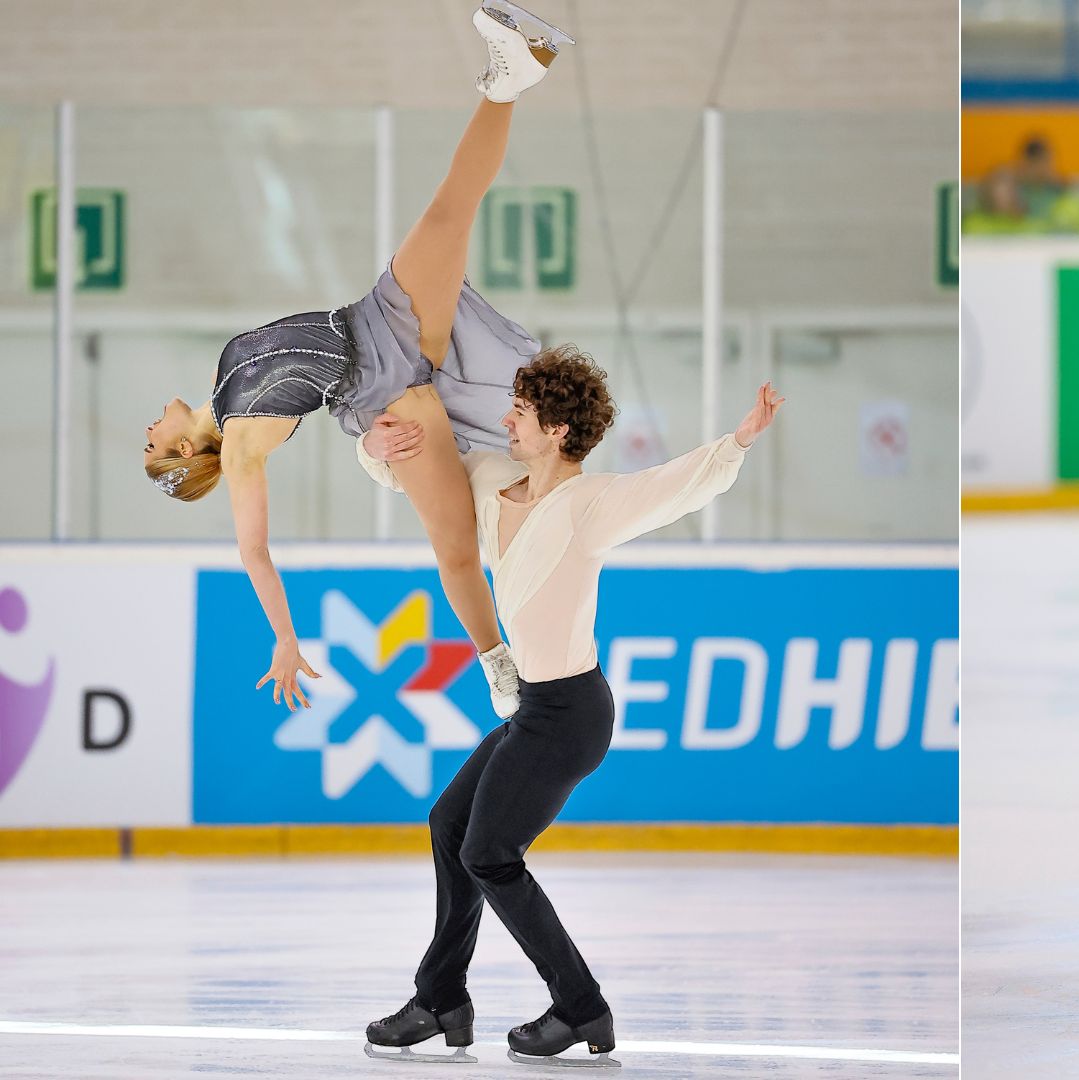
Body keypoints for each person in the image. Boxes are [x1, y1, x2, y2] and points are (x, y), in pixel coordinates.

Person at [139, 0, 577, 721]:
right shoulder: (242, 446)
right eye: (152, 445)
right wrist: (284, 638)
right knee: (454, 546)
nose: (148, 429)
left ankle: (511, 75)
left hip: (373, 315)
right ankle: (498, 662)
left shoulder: (223, 386)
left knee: (449, 211)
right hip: (384, 390)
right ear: (185, 450)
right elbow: (254, 552)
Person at [357, 351, 785, 1066]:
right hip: (535, 708)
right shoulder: (491, 479)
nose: (506, 420)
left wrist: (736, 442)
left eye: (521, 413)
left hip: (570, 714)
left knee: (490, 854)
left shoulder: (591, 505)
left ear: (557, 430)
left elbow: (670, 487)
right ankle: (441, 999)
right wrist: (375, 446)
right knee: (450, 825)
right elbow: (416, 473)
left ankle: (580, 1007)